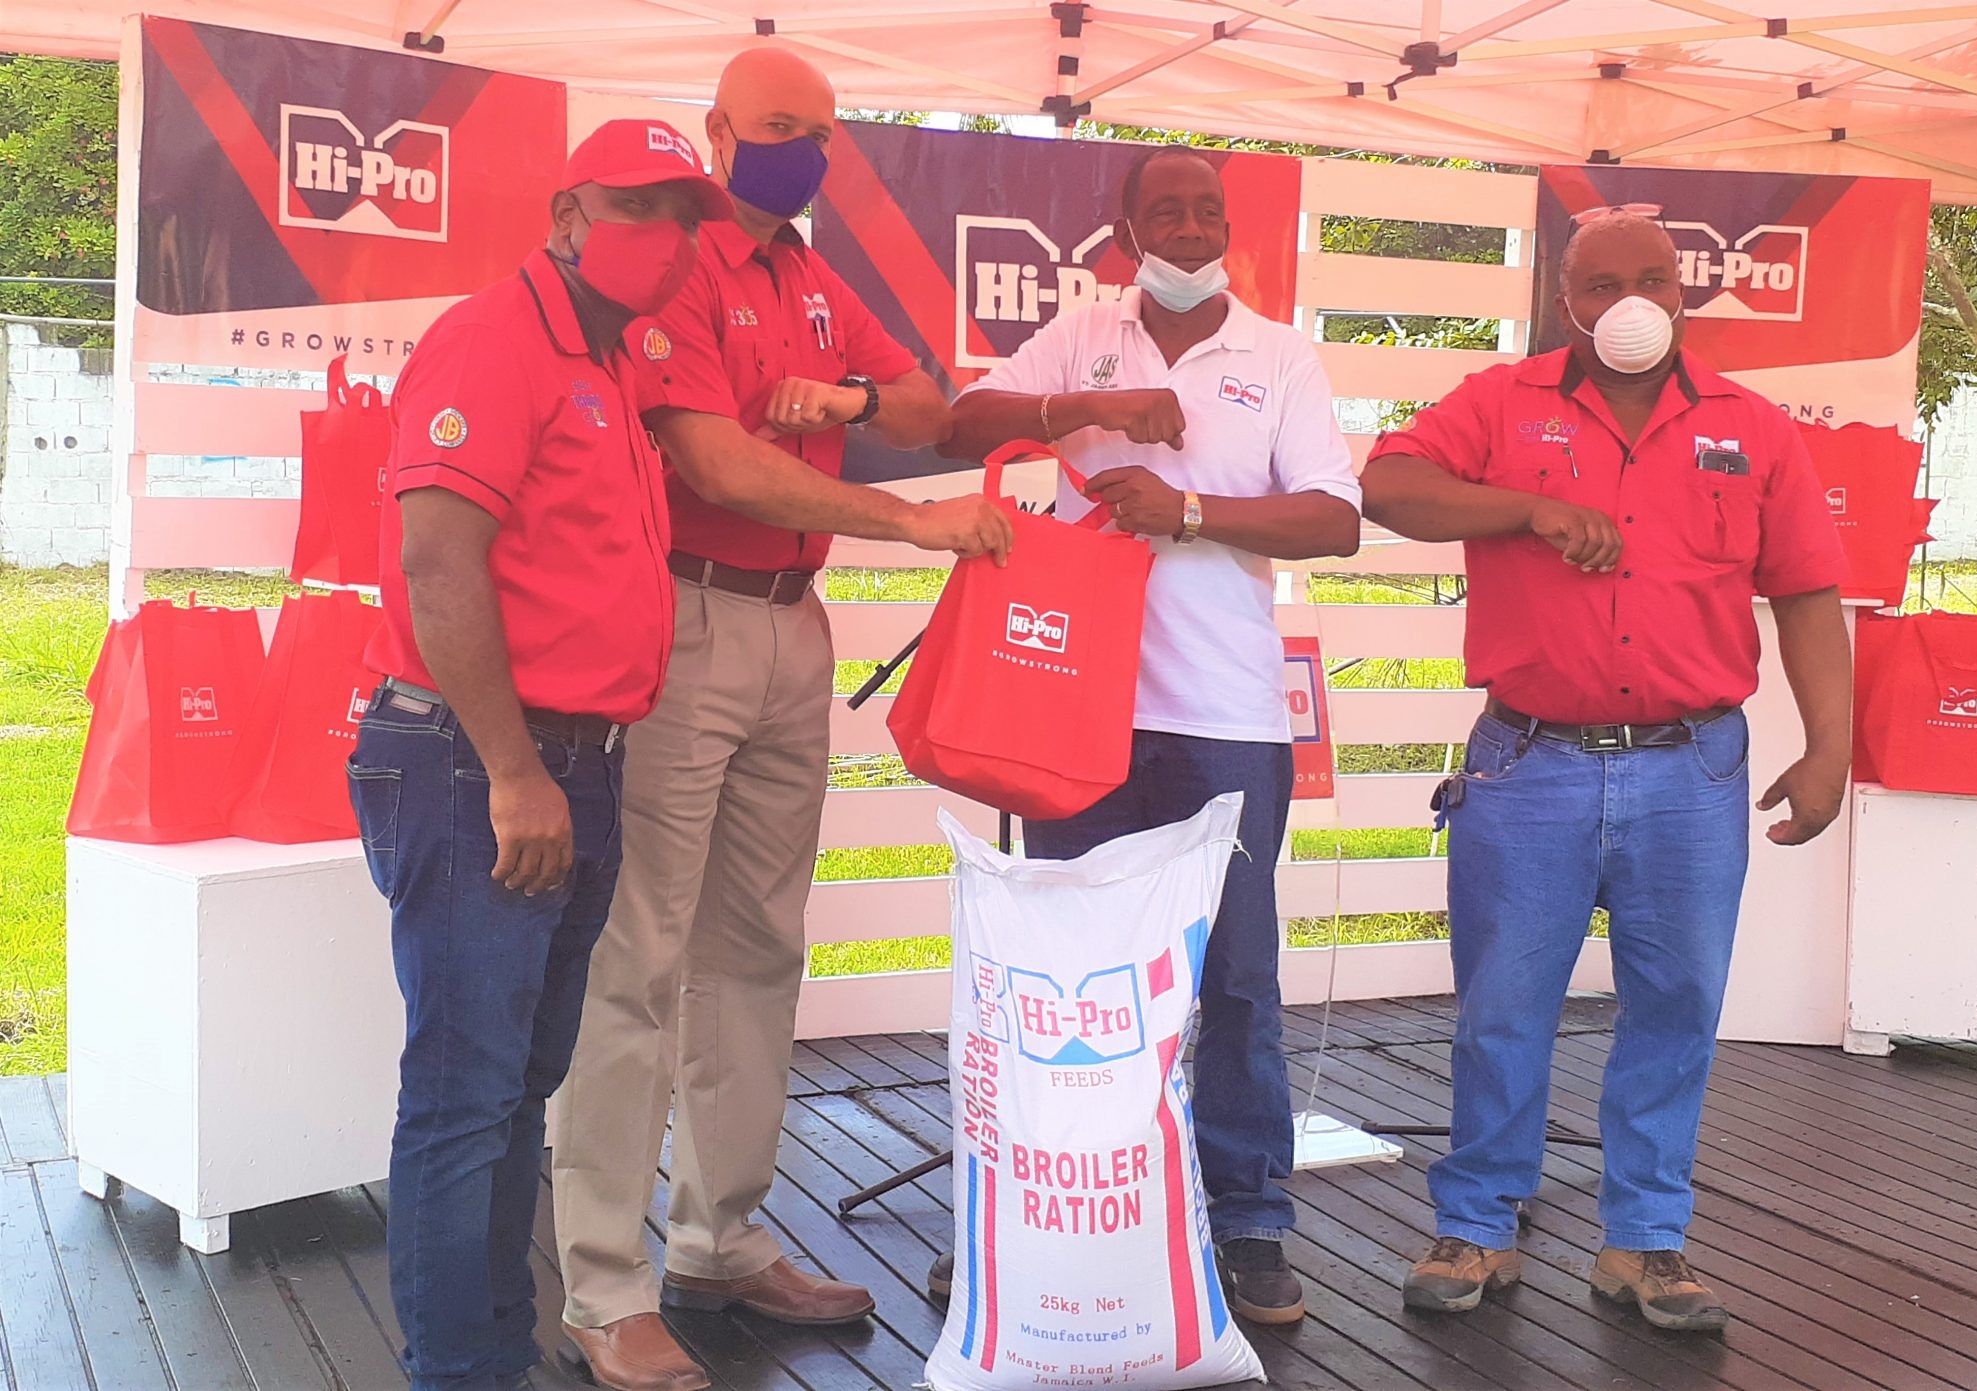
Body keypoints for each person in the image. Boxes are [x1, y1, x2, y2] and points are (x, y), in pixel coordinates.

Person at [549, 48, 1012, 1391]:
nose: (796, 149)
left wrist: (859, 402)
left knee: (756, 943)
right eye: (772, 129)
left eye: (816, 130)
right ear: (715, 134)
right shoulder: (677, 262)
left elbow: (932, 400)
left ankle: (720, 1233)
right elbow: (712, 456)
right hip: (682, 616)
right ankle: (603, 1277)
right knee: (635, 954)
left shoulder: (810, 274)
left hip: (791, 622)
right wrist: (909, 514)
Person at [1362, 210, 1850, 1332]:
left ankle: (1643, 1241)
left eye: (1650, 279)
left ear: (1684, 291)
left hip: (1691, 769)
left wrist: (1829, 748)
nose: (1627, 301)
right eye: (1599, 283)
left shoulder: (1754, 427)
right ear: (1563, 299)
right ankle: (1477, 1223)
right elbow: (1386, 485)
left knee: (1674, 1004)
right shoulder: (1498, 402)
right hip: (1527, 761)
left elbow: (1806, 595)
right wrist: (1526, 507)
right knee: (1500, 1005)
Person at [934, 145, 1364, 1326]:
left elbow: (1333, 518)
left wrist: (1187, 511)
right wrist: (1088, 408)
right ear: (1121, 234)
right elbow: (962, 416)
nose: (1188, 226)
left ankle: (1246, 1218)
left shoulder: (1278, 356)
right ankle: (1054, 1206)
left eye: (1206, 209)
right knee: (1073, 976)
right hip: (1076, 707)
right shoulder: (1081, 334)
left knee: (1231, 976)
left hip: (1227, 718)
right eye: (1163, 209)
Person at [349, 120, 732, 1391]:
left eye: (686, 216)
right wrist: (515, 770)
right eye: (641, 207)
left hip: (573, 761)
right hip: (480, 764)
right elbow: (439, 560)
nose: (667, 241)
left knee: (522, 1082)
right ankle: (460, 1368)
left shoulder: (611, 364)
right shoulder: (495, 337)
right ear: (569, 210)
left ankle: (491, 1349)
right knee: (466, 1090)